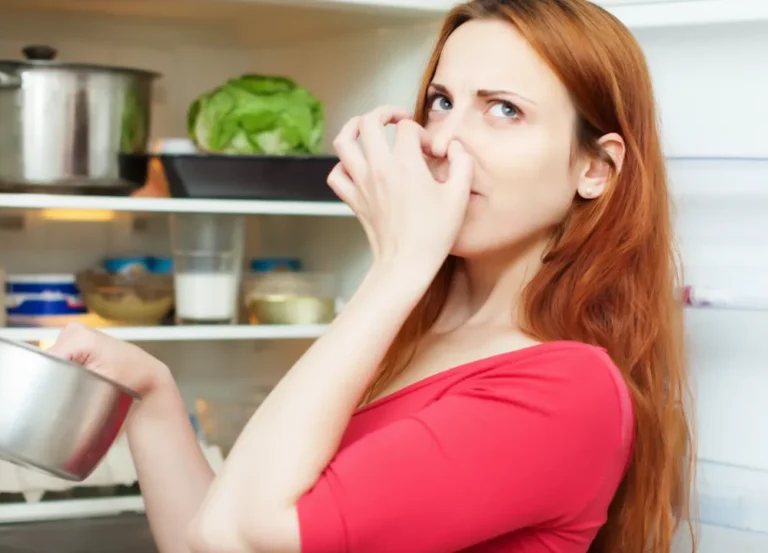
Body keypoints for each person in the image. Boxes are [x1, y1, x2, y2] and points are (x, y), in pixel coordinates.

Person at [48, 0, 694, 551]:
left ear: (596, 169)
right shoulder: (409, 336)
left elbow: (238, 534)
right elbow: (213, 535)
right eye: (441, 102)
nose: (444, 141)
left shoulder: (565, 390)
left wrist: (399, 264)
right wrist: (150, 393)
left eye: (503, 110)